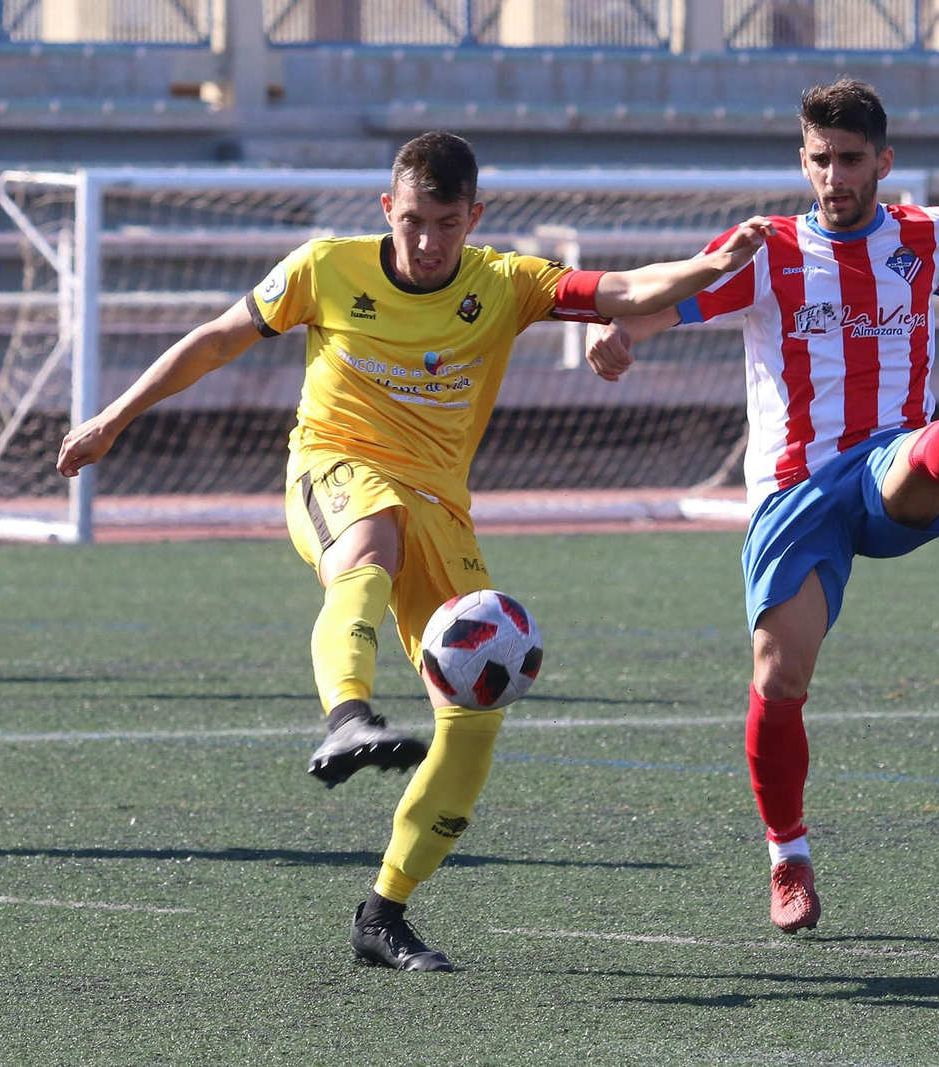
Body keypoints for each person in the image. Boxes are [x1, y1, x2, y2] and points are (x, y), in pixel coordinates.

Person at [55, 131, 771, 971]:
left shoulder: (505, 282)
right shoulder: (326, 267)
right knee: (372, 534)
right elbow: (217, 339)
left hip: (442, 507)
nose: (428, 242)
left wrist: (717, 260)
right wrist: (113, 418)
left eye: (446, 224)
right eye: (413, 221)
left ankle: (382, 911)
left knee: (473, 723)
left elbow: (623, 288)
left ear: (475, 217)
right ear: (386, 209)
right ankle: (347, 716)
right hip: (333, 467)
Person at [584, 78, 939, 934]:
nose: (835, 175)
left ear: (884, 160)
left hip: (888, 460)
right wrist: (621, 336)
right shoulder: (766, 249)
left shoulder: (926, 233)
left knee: (919, 462)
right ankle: (787, 854)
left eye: (851, 159)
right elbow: (674, 303)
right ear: (802, 160)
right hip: (795, 489)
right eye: (820, 159)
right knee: (778, 675)